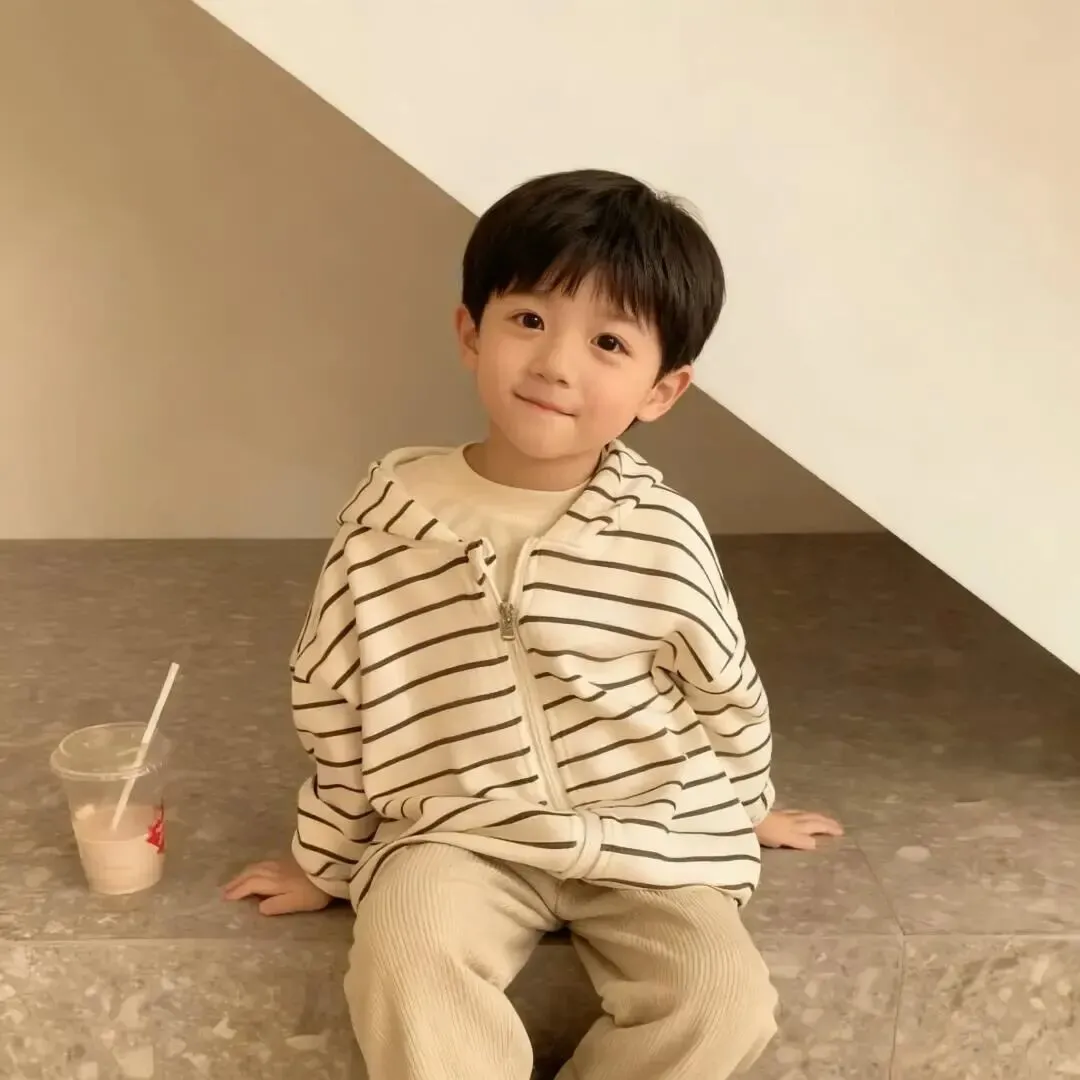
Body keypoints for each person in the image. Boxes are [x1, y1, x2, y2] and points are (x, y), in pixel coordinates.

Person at [225, 169, 843, 1080]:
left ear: (662, 389)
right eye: (528, 320)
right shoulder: (388, 523)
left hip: (646, 831)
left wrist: (745, 806)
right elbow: (336, 699)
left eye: (608, 342)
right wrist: (325, 860)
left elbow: (724, 689)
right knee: (405, 959)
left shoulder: (661, 532)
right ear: (471, 332)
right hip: (459, 831)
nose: (557, 363)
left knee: (724, 1000)